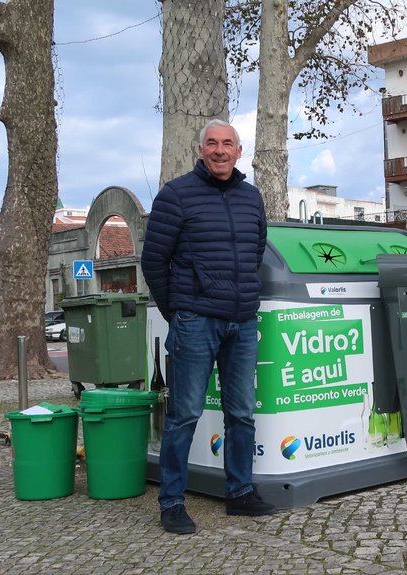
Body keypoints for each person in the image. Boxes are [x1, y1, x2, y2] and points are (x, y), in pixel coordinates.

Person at [141, 119, 272, 534]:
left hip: (242, 322)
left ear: (239, 151)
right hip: (196, 321)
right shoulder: (175, 196)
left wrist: (240, 299)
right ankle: (172, 502)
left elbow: (254, 255)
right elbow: (153, 262)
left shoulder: (253, 198)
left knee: (242, 413)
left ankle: (239, 493)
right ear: (200, 150)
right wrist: (178, 311)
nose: (219, 150)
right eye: (212, 144)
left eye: (227, 144)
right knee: (183, 415)